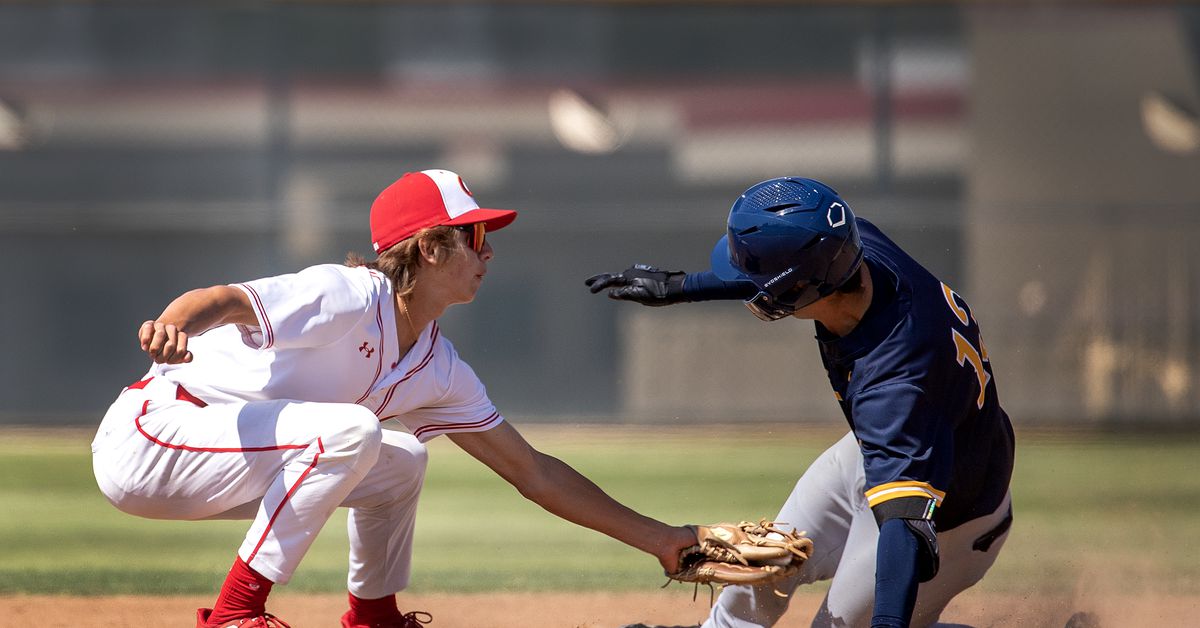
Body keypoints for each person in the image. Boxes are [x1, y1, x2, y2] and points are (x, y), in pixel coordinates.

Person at [91, 169, 697, 628]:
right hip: (154, 436)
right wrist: (173, 323)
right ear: (430, 247)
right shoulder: (348, 294)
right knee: (353, 430)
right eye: (475, 235)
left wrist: (662, 539)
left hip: (230, 465)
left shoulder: (436, 365)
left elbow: (533, 471)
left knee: (403, 460)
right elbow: (224, 299)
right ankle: (234, 615)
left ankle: (374, 618)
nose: (488, 251)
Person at [586, 177, 1015, 628]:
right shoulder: (853, 245)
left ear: (798, 291)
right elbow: (793, 273)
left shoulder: (895, 381)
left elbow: (905, 528)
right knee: (756, 577)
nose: (749, 285)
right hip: (887, 453)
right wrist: (680, 286)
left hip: (951, 518)